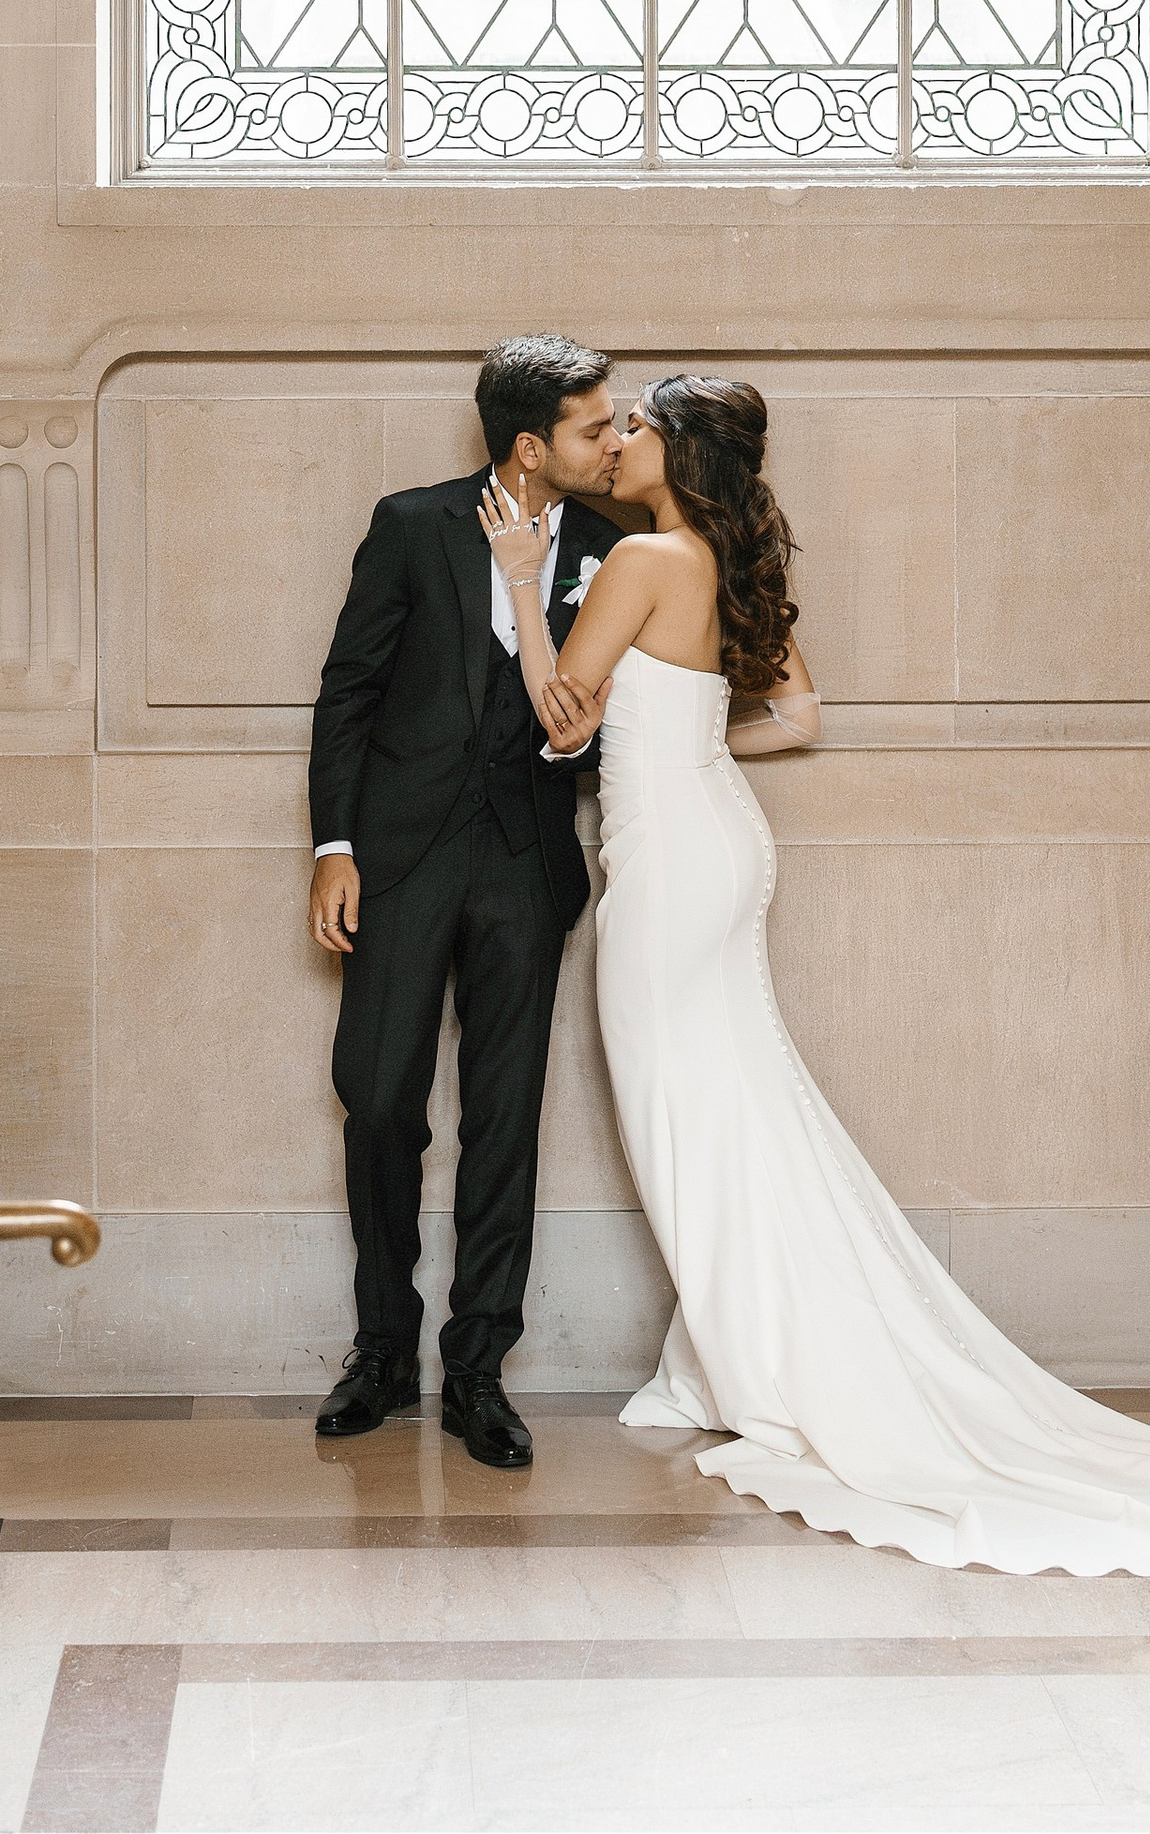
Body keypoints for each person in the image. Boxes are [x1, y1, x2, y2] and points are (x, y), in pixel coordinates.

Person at [487, 372, 1150, 1577]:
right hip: (720, 842)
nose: (617, 440)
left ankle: (750, 1362)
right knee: (733, 1103)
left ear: (678, 452)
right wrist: (676, 742)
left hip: (671, 862)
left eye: (635, 426)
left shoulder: (642, 562)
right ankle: (730, 1350)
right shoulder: (721, 560)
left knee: (685, 1112)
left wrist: (527, 583)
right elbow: (797, 717)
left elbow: (560, 722)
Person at [305, 333, 625, 1471]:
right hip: (397, 859)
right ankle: (383, 1348)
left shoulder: (608, 543)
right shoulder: (411, 525)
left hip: (525, 861)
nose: (615, 441)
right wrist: (333, 847)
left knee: (505, 1120)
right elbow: (348, 689)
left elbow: (591, 720)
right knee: (379, 1100)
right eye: (595, 426)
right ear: (531, 446)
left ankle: (478, 1367)